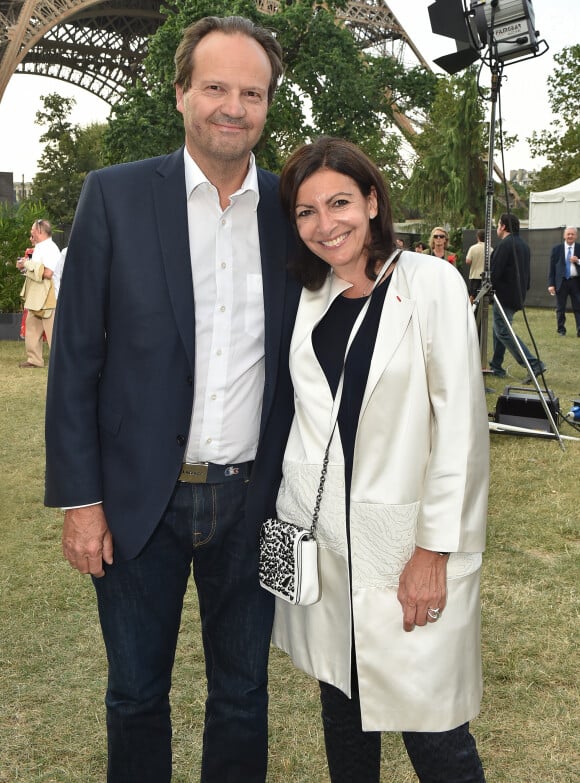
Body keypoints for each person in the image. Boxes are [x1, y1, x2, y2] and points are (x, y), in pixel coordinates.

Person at [44, 16, 299, 783]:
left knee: (246, 695)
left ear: (267, 106)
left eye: (251, 92)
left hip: (260, 503)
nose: (234, 106)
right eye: (216, 86)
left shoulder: (295, 212)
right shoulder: (113, 196)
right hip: (132, 507)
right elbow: (75, 360)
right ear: (181, 92)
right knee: (133, 695)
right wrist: (80, 502)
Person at [272, 136, 489, 783]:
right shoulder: (307, 299)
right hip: (328, 548)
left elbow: (461, 430)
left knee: (435, 733)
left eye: (339, 201)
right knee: (342, 716)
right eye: (306, 211)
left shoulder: (430, 284)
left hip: (405, 550)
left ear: (372, 201)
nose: (325, 222)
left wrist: (435, 551)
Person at [488, 213, 546, 382]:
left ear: (503, 226)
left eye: (498, 224)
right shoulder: (523, 245)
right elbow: (526, 274)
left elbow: (495, 272)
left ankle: (533, 364)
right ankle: (496, 365)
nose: (497, 227)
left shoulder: (505, 245)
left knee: (503, 331)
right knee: (499, 329)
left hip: (504, 295)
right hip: (517, 295)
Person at [16, 218, 60, 367]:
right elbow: (35, 271)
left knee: (53, 331)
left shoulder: (50, 248)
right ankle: (34, 360)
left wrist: (27, 264)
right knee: (32, 328)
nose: (31, 233)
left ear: (40, 231)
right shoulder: (40, 247)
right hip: (36, 296)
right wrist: (23, 266)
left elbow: (48, 273)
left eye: (32, 230)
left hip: (48, 296)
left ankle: (61, 361)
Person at [547, 226, 580, 336]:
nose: (570, 236)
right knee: (560, 308)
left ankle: (579, 330)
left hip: (576, 282)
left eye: (572, 234)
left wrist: (578, 261)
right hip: (561, 282)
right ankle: (561, 330)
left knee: (578, 307)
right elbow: (552, 268)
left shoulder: (579, 248)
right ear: (564, 235)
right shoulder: (556, 249)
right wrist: (551, 284)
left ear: (576, 236)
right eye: (568, 234)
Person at [466, 228, 486, 301]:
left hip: (475, 276)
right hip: (485, 277)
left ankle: (471, 310)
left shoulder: (473, 248)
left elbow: (468, 261)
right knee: (483, 297)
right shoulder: (490, 249)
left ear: (477, 237)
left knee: (472, 295)